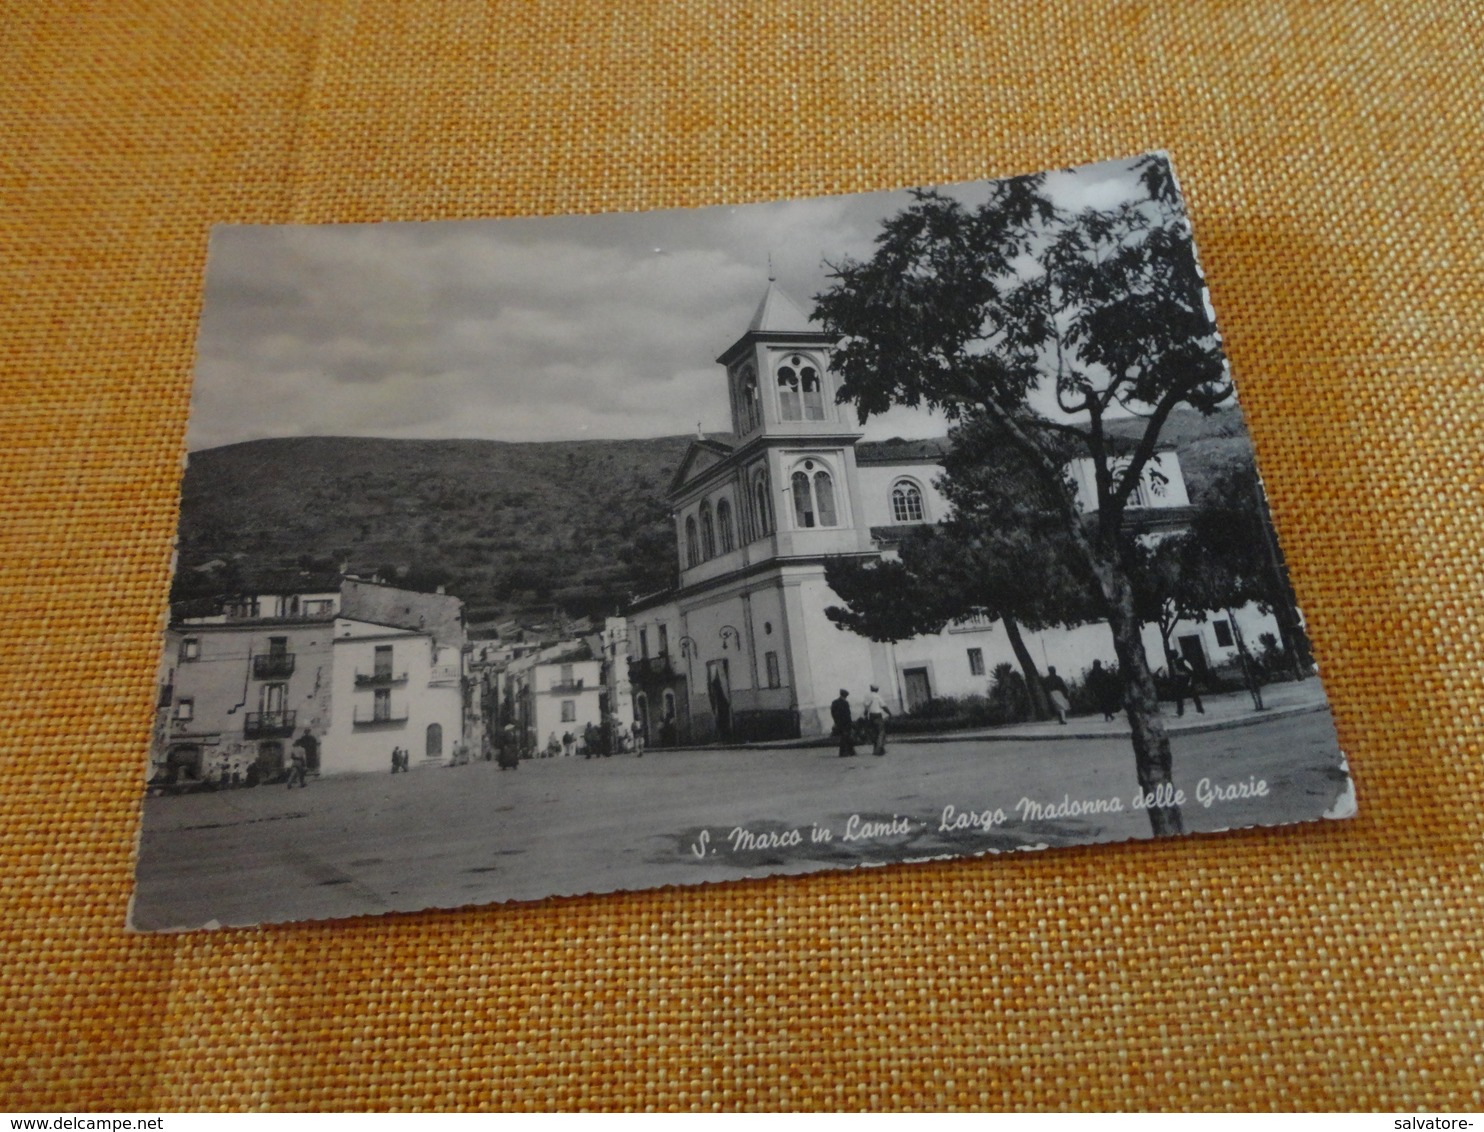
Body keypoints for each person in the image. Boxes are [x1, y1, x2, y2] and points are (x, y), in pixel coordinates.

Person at [1168, 653, 1205, 717]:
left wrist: (1190, 680)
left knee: (1194, 694)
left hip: (1187, 678)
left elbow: (1191, 670)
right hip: (1180, 680)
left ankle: (1200, 710)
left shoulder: (1182, 660)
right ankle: (1180, 712)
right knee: (1179, 696)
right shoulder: (1173, 663)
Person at [862, 684, 892, 756]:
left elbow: (866, 707)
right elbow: (883, 706)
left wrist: (865, 715)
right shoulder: (877, 696)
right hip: (878, 716)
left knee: (874, 733)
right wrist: (890, 713)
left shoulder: (867, 696)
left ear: (870, 689)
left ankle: (877, 749)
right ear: (877, 690)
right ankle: (878, 750)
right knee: (881, 732)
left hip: (870, 716)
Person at [831, 689, 856, 758]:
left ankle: (851, 751)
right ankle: (844, 752)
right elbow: (848, 714)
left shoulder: (834, 702)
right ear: (845, 695)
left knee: (844, 737)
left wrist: (835, 721)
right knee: (845, 737)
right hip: (845, 723)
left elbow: (832, 712)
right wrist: (850, 722)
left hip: (838, 722)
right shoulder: (845, 703)